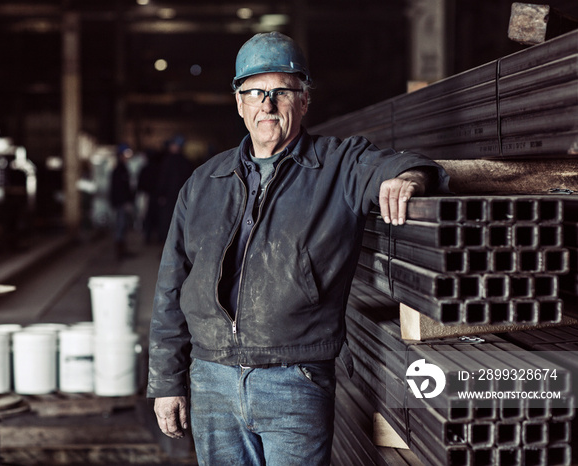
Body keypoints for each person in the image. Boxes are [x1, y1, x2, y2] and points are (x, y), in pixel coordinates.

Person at [147, 31, 450, 465]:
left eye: (281, 92)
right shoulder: (203, 183)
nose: (266, 105)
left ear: (304, 100)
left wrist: (409, 181)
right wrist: (166, 381)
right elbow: (171, 286)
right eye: (254, 92)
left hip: (294, 379)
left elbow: (407, 165)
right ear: (239, 103)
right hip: (210, 378)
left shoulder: (338, 165)